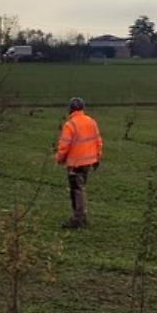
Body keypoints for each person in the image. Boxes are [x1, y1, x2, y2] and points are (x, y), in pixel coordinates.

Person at [55, 96, 103, 228]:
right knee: (80, 188)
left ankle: (78, 218)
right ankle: (81, 217)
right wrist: (97, 158)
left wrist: (59, 158)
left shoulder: (70, 125)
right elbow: (98, 141)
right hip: (88, 162)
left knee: (76, 190)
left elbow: (64, 146)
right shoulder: (91, 122)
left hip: (75, 163)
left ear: (70, 109)